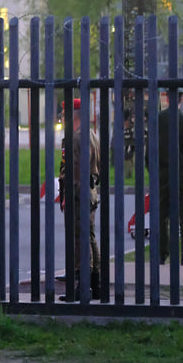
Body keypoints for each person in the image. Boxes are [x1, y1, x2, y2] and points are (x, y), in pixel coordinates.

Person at [58, 98, 101, 301]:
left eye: (65, 113)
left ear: (73, 115)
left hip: (78, 192)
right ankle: (95, 283)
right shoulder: (91, 135)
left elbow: (74, 170)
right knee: (90, 238)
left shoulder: (75, 138)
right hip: (90, 190)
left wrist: (67, 195)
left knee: (79, 240)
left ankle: (82, 287)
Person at [153, 90, 183, 264]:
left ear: (166, 98)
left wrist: (154, 171)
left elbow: (150, 149)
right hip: (182, 175)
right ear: (181, 99)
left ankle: (160, 254)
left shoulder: (158, 120)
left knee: (161, 215)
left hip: (162, 174)